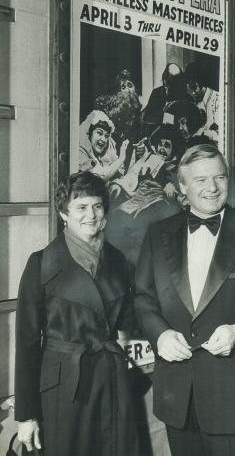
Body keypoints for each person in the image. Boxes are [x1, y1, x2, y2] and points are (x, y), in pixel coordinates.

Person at [135, 144, 235, 456]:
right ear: (182, 186)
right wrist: (160, 334)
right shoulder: (157, 234)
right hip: (177, 398)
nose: (212, 188)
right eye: (200, 180)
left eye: (220, 178)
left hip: (234, 399)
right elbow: (143, 299)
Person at [15, 171, 140, 456]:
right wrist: (26, 415)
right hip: (64, 388)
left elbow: (130, 319)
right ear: (63, 213)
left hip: (110, 381)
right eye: (81, 207)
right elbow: (27, 344)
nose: (91, 215)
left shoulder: (118, 261)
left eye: (97, 206)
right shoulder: (41, 264)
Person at [79, 110, 128, 182]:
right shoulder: (80, 150)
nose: (103, 139)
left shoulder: (108, 147)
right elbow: (99, 178)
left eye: (106, 136)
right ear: (89, 133)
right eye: (99, 133)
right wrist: (121, 158)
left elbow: (119, 173)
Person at [141, 63, 186, 136]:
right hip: (158, 133)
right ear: (164, 81)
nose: (168, 89)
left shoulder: (183, 95)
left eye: (173, 87)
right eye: (167, 86)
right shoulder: (157, 93)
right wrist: (165, 117)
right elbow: (147, 117)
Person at [184, 62, 221, 143]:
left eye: (194, 87)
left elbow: (221, 134)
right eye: (190, 89)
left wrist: (205, 134)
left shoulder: (218, 99)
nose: (192, 93)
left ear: (202, 83)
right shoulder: (192, 102)